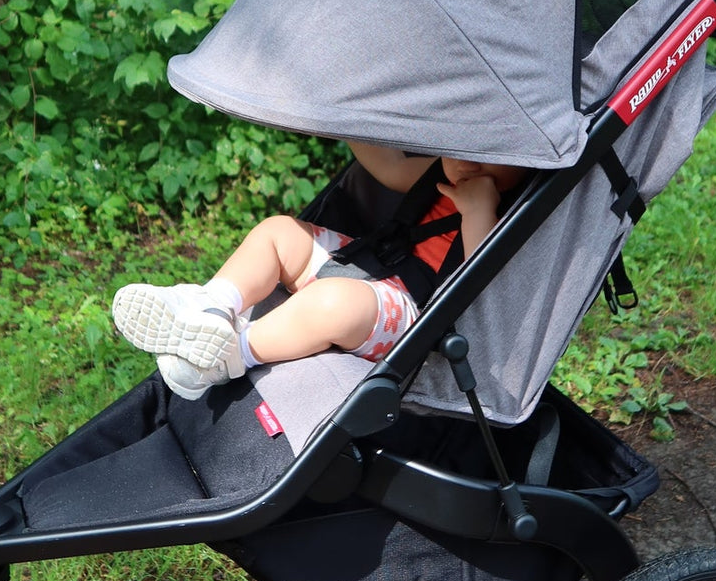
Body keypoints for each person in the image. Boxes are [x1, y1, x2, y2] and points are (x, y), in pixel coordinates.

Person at [111, 142, 526, 398]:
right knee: (279, 231)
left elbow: (483, 291)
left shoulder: (511, 211)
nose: (469, 163)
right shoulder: (440, 169)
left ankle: (227, 355)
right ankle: (210, 306)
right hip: (369, 262)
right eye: (461, 148)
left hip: (415, 313)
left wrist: (478, 209)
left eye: (490, 154)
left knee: (331, 304)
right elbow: (389, 168)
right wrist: (342, 116)